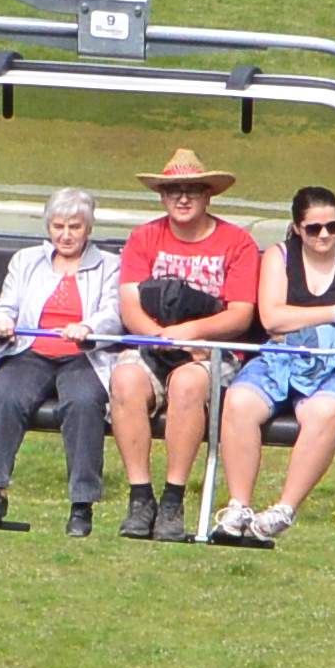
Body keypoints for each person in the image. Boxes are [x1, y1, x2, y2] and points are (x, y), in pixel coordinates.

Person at [212, 185, 335, 547]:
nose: (324, 236)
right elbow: (272, 320)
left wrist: (298, 326)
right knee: (239, 401)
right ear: (297, 229)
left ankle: (284, 509)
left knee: (325, 412)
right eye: (314, 228)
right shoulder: (279, 258)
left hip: (334, 366)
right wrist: (334, 314)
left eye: (332, 227)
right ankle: (239, 504)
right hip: (278, 360)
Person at [110, 147, 263, 539]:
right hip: (153, 344)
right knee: (125, 380)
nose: (182, 197)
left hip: (210, 350)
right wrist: (161, 337)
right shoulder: (143, 238)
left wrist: (191, 334)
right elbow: (130, 307)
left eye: (192, 190)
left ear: (208, 195)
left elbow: (241, 314)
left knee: (188, 384)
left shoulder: (238, 243)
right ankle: (140, 497)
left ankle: (173, 499)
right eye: (173, 190)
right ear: (161, 196)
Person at [0, 188, 117, 532]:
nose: (66, 235)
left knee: (84, 402)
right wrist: (1, 321)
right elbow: (5, 305)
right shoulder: (26, 261)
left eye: (75, 227)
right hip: (31, 351)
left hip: (83, 356)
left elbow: (114, 313)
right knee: (4, 394)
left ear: (89, 229)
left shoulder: (110, 265)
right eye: (58, 227)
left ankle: (81, 505)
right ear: (48, 228)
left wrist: (88, 327)